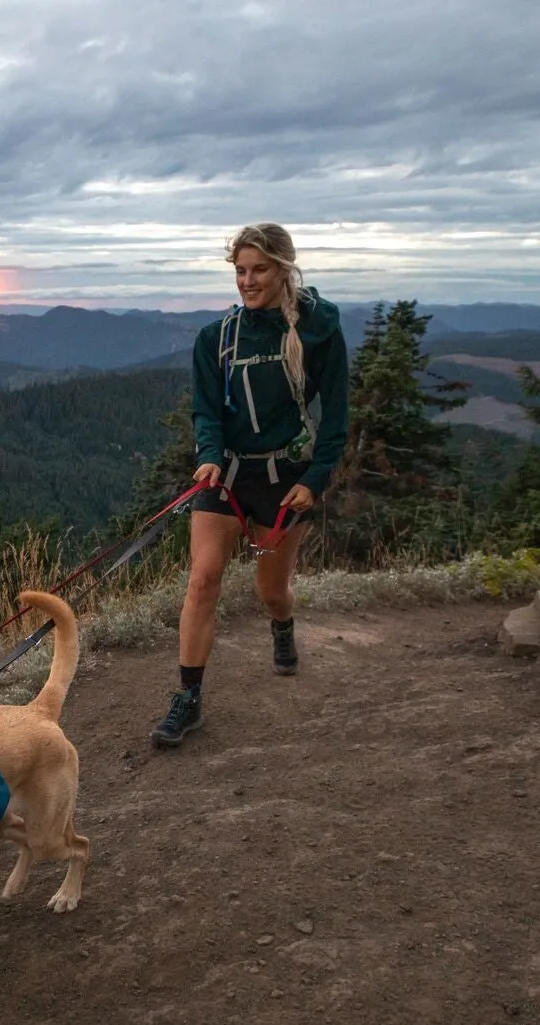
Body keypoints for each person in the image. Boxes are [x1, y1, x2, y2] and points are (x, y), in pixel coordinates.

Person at [150, 223, 350, 748]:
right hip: (229, 476)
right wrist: (209, 458)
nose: (247, 280)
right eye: (240, 270)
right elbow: (206, 411)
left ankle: (282, 626)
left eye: (258, 269)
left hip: (285, 481)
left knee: (271, 591)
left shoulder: (318, 328)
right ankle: (188, 698)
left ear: (284, 268)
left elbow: (336, 417)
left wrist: (315, 478)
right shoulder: (215, 337)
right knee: (203, 579)